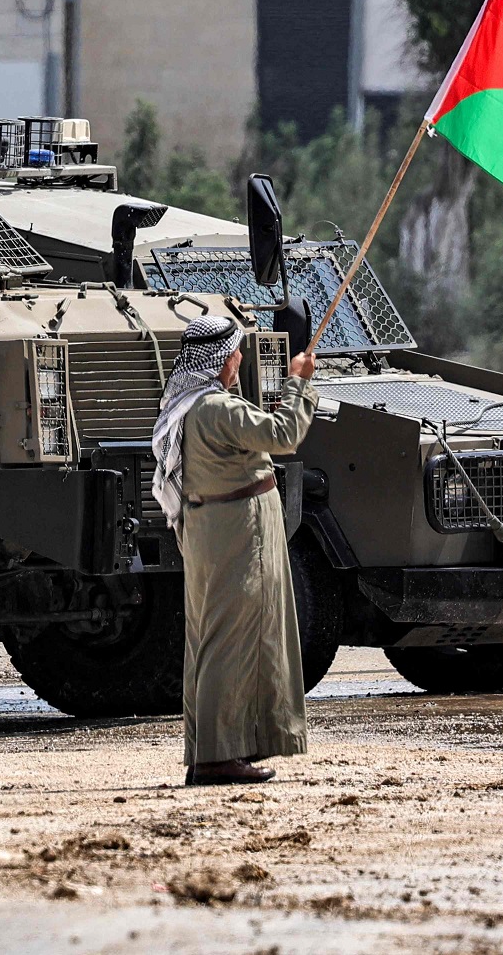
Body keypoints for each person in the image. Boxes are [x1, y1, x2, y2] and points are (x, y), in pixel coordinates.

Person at [150, 315, 318, 787]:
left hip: (214, 529)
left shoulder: (188, 405)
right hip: (237, 531)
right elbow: (283, 434)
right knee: (232, 638)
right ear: (222, 359)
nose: (240, 360)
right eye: (236, 352)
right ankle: (218, 759)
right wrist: (299, 384)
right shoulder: (217, 409)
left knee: (213, 638)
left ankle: (217, 750)